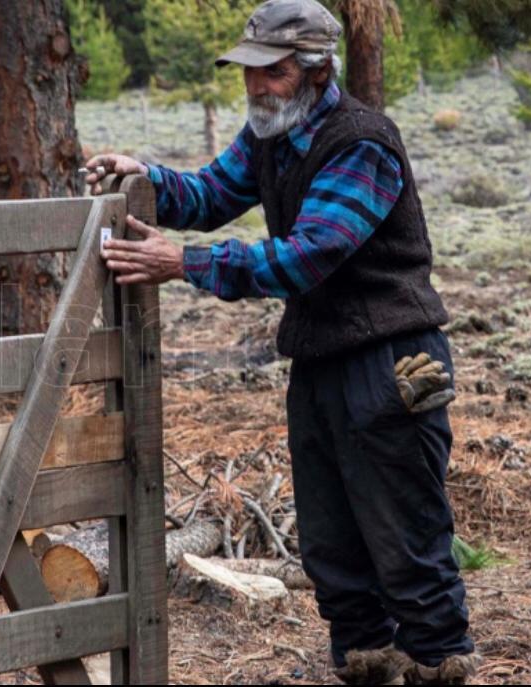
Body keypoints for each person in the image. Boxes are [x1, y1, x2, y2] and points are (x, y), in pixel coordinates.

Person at [86, 0, 481, 684]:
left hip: (391, 361)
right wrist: (144, 175)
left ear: (316, 68)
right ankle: (366, 663)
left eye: (271, 72)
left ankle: (438, 662)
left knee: (405, 533)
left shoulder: (362, 141)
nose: (255, 87)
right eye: (250, 72)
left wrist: (184, 263)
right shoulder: (272, 131)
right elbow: (210, 192)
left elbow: (310, 254)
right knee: (332, 541)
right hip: (323, 359)